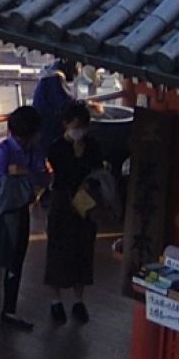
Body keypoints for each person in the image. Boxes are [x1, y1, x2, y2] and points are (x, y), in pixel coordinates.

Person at [0, 105, 43, 330]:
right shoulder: (4, 150)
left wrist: (20, 172)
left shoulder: (29, 150)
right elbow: (3, 177)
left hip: (17, 209)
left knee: (16, 259)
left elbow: (43, 177)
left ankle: (9, 309)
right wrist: (28, 175)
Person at [44, 101, 103, 324]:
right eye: (76, 125)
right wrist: (77, 157)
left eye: (83, 126)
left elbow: (97, 171)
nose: (80, 131)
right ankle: (55, 301)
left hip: (85, 203)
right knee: (58, 250)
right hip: (62, 201)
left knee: (83, 249)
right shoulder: (56, 147)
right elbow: (62, 176)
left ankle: (79, 300)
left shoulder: (93, 145)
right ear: (66, 124)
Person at [30, 57, 79, 155]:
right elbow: (64, 105)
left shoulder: (51, 76)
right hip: (48, 129)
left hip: (45, 127)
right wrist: (84, 105)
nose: (77, 72)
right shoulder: (53, 79)